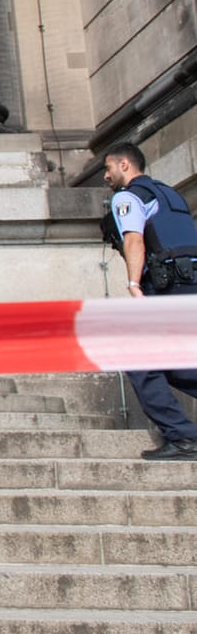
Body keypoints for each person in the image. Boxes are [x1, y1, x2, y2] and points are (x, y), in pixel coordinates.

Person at [102, 142, 197, 460]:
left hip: (165, 287)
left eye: (109, 167)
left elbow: (134, 238)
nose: (106, 175)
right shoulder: (171, 195)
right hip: (191, 284)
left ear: (125, 165)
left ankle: (183, 437)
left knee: (137, 356)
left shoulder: (128, 196)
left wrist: (132, 283)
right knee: (179, 364)